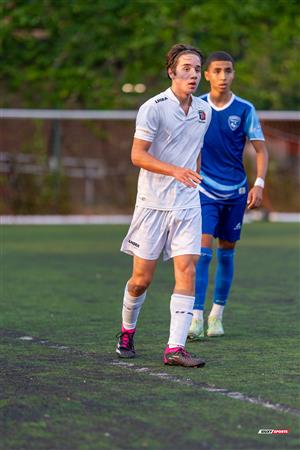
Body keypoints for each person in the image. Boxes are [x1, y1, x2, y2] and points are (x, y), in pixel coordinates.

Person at [116, 43, 211, 367]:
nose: (193, 75)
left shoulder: (204, 110)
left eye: (197, 69)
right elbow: (137, 155)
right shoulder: (153, 107)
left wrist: (193, 173)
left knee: (187, 269)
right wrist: (175, 171)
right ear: (171, 72)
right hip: (153, 205)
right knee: (141, 279)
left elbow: (194, 149)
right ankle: (127, 331)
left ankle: (175, 348)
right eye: (186, 68)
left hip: (187, 205)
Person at [188, 51, 268, 340]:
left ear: (233, 74)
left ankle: (216, 316)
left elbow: (261, 149)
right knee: (201, 252)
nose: (223, 77)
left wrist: (258, 183)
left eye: (228, 71)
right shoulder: (196, 107)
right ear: (206, 75)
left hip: (236, 191)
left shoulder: (245, 109)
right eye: (217, 71)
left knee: (227, 252)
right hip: (204, 190)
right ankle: (196, 317)